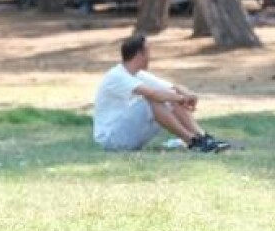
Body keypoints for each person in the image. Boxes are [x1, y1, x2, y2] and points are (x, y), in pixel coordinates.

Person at [93, 34, 230, 153]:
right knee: (151, 100)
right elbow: (154, 94)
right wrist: (181, 98)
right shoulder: (117, 76)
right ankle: (191, 141)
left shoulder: (138, 74)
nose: (150, 57)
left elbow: (172, 88)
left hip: (127, 136)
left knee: (168, 97)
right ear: (140, 54)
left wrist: (188, 94)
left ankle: (203, 138)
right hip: (111, 140)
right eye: (148, 52)